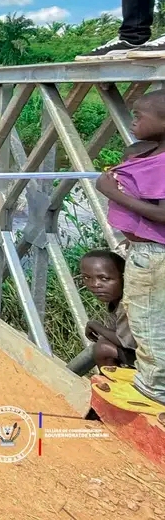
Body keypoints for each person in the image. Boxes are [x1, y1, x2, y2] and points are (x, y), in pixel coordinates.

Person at [96, 89, 165, 402]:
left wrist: (112, 191)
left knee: (147, 323)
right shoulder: (154, 157)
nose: (133, 122)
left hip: (153, 256)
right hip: (147, 251)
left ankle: (153, 390)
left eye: (139, 116)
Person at [81, 250, 138, 369]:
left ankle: (115, 385)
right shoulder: (116, 300)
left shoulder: (129, 304)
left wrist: (95, 326)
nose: (95, 284)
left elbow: (126, 342)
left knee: (103, 349)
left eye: (104, 278)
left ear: (123, 277)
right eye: (87, 277)